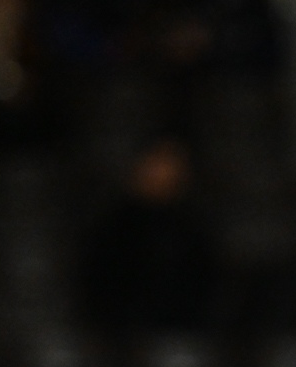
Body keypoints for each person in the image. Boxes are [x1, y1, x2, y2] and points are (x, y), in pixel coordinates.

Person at [79, 140, 218, 337]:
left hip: (180, 334)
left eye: (172, 164)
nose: (163, 172)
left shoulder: (194, 228)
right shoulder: (111, 227)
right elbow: (97, 288)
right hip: (120, 335)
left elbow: (203, 289)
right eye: (156, 162)